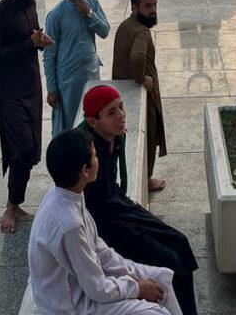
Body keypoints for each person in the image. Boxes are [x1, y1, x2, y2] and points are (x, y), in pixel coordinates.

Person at [28, 127, 184, 315]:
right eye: (95, 156)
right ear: (85, 171)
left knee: (161, 278)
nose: (98, 160)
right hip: (69, 303)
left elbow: (98, 248)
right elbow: (96, 289)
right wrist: (136, 288)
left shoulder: (67, 193)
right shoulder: (70, 224)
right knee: (156, 313)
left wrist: (133, 273)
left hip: (85, 282)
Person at [81, 86, 198, 315]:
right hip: (108, 226)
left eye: (121, 107)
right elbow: (98, 211)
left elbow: (114, 191)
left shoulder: (113, 137)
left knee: (180, 242)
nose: (121, 115)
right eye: (112, 112)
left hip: (121, 209)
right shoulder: (89, 153)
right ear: (94, 122)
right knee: (170, 261)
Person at [0, 0, 54, 234]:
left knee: (30, 150)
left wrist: (39, 41)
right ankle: (11, 206)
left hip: (31, 88)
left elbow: (30, 38)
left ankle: (17, 201)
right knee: (22, 147)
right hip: (10, 92)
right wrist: (30, 43)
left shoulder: (30, 5)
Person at [44, 0, 110, 137]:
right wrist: (51, 88)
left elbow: (105, 31)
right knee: (72, 127)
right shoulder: (56, 14)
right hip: (68, 81)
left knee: (92, 122)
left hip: (91, 74)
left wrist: (89, 14)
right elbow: (49, 55)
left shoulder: (92, 3)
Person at [112, 0, 166, 192]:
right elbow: (137, 57)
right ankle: (147, 179)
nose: (153, 11)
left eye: (154, 5)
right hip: (143, 95)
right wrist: (142, 78)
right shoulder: (142, 32)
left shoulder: (126, 25)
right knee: (149, 137)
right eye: (147, 6)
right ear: (135, 7)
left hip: (124, 94)